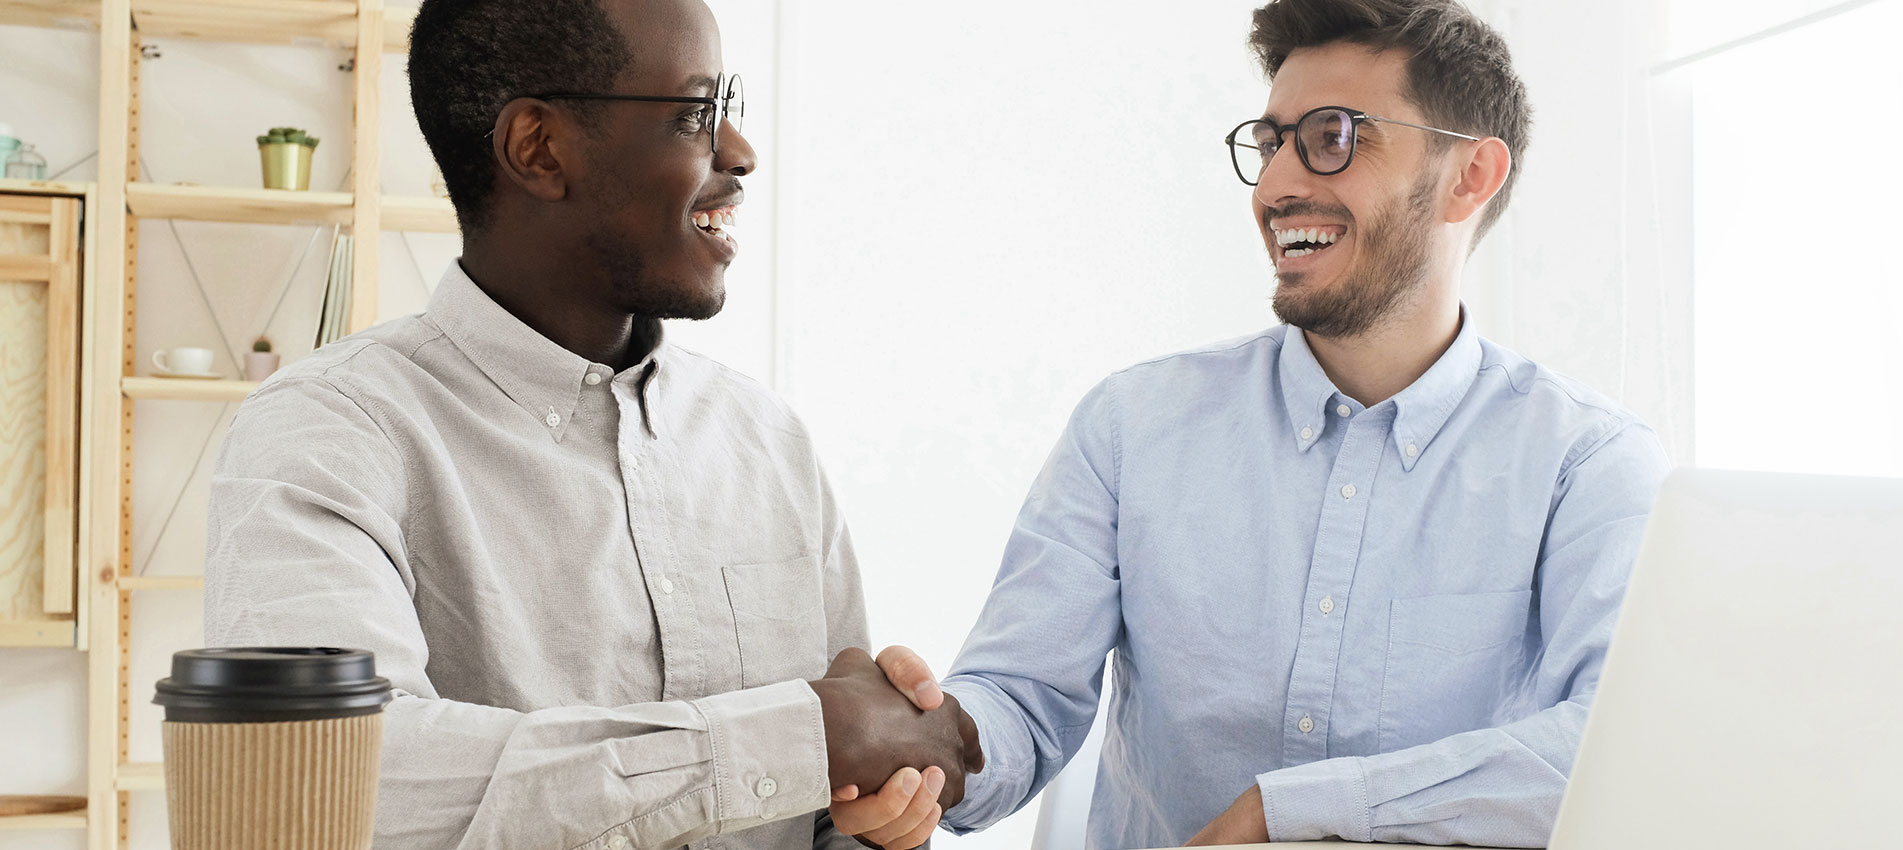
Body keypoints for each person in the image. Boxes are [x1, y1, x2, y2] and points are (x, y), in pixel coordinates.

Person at [879, 0, 1673, 847]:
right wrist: (916, 753)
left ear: (1468, 177)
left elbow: (1616, 751)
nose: (1274, 187)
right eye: (1269, 144)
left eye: (1333, 137)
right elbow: (1020, 697)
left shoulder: (1588, 463)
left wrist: (1293, 810)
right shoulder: (1130, 427)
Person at [202, 0, 973, 848]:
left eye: (729, 107)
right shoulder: (326, 433)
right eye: (695, 113)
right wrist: (804, 737)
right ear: (539, 148)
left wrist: (878, 807)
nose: (740, 152)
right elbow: (325, 779)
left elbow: (830, 794)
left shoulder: (766, 438)